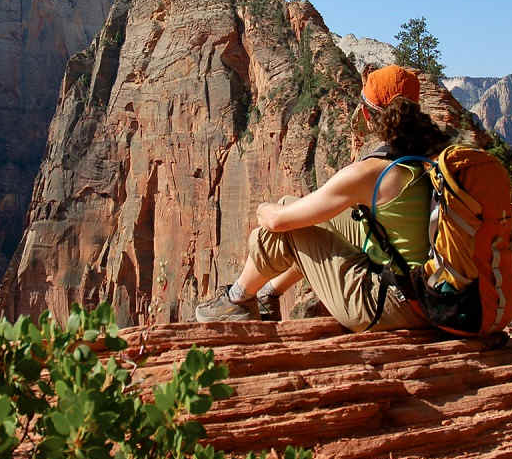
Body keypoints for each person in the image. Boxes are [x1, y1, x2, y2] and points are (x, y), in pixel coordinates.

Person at [194, 64, 454, 332]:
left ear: (367, 113)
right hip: (432, 295)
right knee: (302, 211)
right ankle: (267, 294)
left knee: (281, 223)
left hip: (392, 306)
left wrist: (262, 208)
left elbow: (277, 222)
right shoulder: (430, 158)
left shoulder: (370, 173)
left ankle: (237, 301)